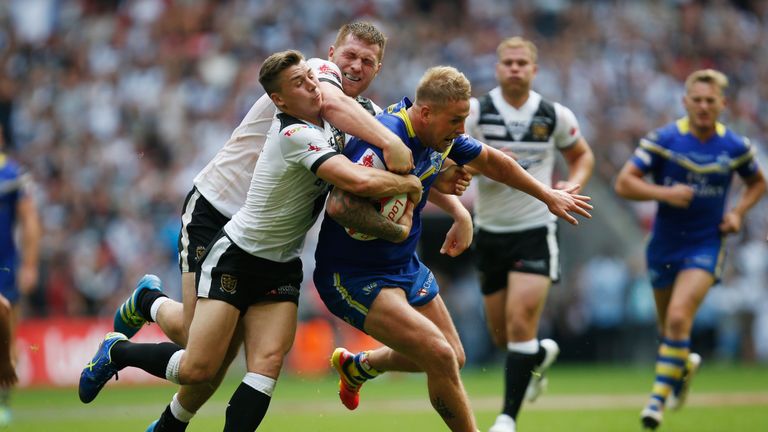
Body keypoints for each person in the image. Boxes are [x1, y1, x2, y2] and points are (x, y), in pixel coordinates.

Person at [80, 50, 425, 431]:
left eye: (312, 79)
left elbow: (403, 135)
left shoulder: (340, 118)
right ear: (279, 98)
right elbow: (357, 180)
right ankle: (121, 347)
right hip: (234, 250)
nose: (315, 85)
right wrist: (409, 184)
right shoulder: (295, 133)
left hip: (282, 264)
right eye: (301, 82)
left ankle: (170, 420)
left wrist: (449, 184)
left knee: (266, 367)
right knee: (198, 366)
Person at [313, 66, 592, 432]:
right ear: (426, 113)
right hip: (352, 274)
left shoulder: (438, 137)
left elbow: (493, 162)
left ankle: (359, 366)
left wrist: (546, 195)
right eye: (456, 120)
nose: (462, 129)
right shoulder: (385, 137)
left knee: (453, 356)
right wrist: (396, 231)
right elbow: (340, 206)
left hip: (403, 266)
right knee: (440, 354)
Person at [614, 68, 766, 430]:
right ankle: (680, 367)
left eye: (709, 101)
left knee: (680, 317)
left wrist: (738, 214)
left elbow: (757, 183)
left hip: (706, 243)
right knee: (669, 328)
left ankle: (656, 403)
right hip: (664, 245)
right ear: (685, 102)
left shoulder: (735, 147)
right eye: (696, 100)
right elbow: (624, 183)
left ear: (722, 105)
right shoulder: (665, 140)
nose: (702, 106)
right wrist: (664, 193)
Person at [462, 37, 595, 432]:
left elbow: (582, 154)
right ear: (498, 68)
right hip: (490, 232)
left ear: (534, 70)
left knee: (521, 320)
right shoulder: (476, 112)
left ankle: (507, 419)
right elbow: (454, 155)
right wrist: (475, 169)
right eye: (508, 62)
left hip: (535, 228)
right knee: (503, 336)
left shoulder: (553, 115)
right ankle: (535, 356)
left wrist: (573, 183)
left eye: (522, 63)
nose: (515, 68)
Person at [0, 129, 41, 427]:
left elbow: (29, 220)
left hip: (5, 267)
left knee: (6, 333)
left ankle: (3, 400)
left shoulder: (11, 174)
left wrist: (29, 264)